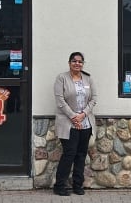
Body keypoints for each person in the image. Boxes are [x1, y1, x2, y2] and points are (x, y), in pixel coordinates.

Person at [53, 51, 97, 196]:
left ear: (82, 64)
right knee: (69, 154)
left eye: (80, 61)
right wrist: (74, 117)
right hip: (68, 123)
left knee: (81, 155)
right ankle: (59, 186)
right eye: (74, 61)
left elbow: (93, 99)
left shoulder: (88, 79)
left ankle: (78, 185)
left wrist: (83, 114)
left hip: (85, 123)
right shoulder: (62, 78)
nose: (77, 63)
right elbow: (60, 101)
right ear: (69, 63)